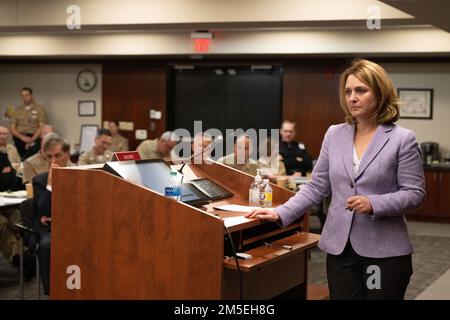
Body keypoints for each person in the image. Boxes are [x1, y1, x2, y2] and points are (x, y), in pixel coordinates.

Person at [246, 59, 426, 300]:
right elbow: (316, 186)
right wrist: (281, 213)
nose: (352, 97)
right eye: (348, 91)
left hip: (384, 252)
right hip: (340, 249)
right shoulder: (334, 134)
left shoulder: (402, 139)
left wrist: (374, 203)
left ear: (380, 94)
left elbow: (415, 194)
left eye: (361, 90)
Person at [32, 138, 71, 295]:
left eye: (58, 155)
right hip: (51, 229)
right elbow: (46, 210)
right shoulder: (40, 181)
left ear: (67, 154)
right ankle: (51, 291)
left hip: (78, 224)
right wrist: (50, 185)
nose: (54, 161)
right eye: (50, 157)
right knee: (47, 245)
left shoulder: (84, 175)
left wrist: (62, 216)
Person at [9, 87, 47, 160]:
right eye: (22, 96)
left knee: (32, 156)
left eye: (27, 95)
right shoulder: (17, 109)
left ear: (31, 95)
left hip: (34, 136)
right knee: (19, 156)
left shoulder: (39, 108)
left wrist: (31, 140)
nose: (24, 98)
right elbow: (12, 128)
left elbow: (41, 126)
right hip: (20, 137)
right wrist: (22, 137)